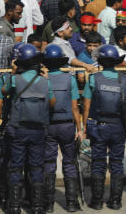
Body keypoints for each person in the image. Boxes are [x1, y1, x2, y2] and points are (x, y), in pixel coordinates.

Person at [0, 42, 55, 214]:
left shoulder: (15, 80)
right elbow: (52, 103)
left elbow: (5, 91)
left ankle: (14, 207)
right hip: (38, 130)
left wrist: (13, 72)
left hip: (18, 130)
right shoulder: (45, 82)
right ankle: (37, 207)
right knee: (36, 167)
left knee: (16, 166)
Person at [82, 44, 126, 210]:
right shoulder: (125, 80)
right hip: (118, 126)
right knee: (117, 163)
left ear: (102, 62)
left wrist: (84, 127)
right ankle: (115, 201)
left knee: (98, 162)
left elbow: (87, 105)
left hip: (98, 127)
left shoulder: (93, 78)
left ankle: (97, 202)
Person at [42, 44, 84, 211]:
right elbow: (75, 107)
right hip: (67, 125)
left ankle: (49, 205)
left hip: (48, 126)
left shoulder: (42, 79)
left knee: (49, 163)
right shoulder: (69, 79)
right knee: (69, 162)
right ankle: (72, 204)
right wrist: (79, 129)